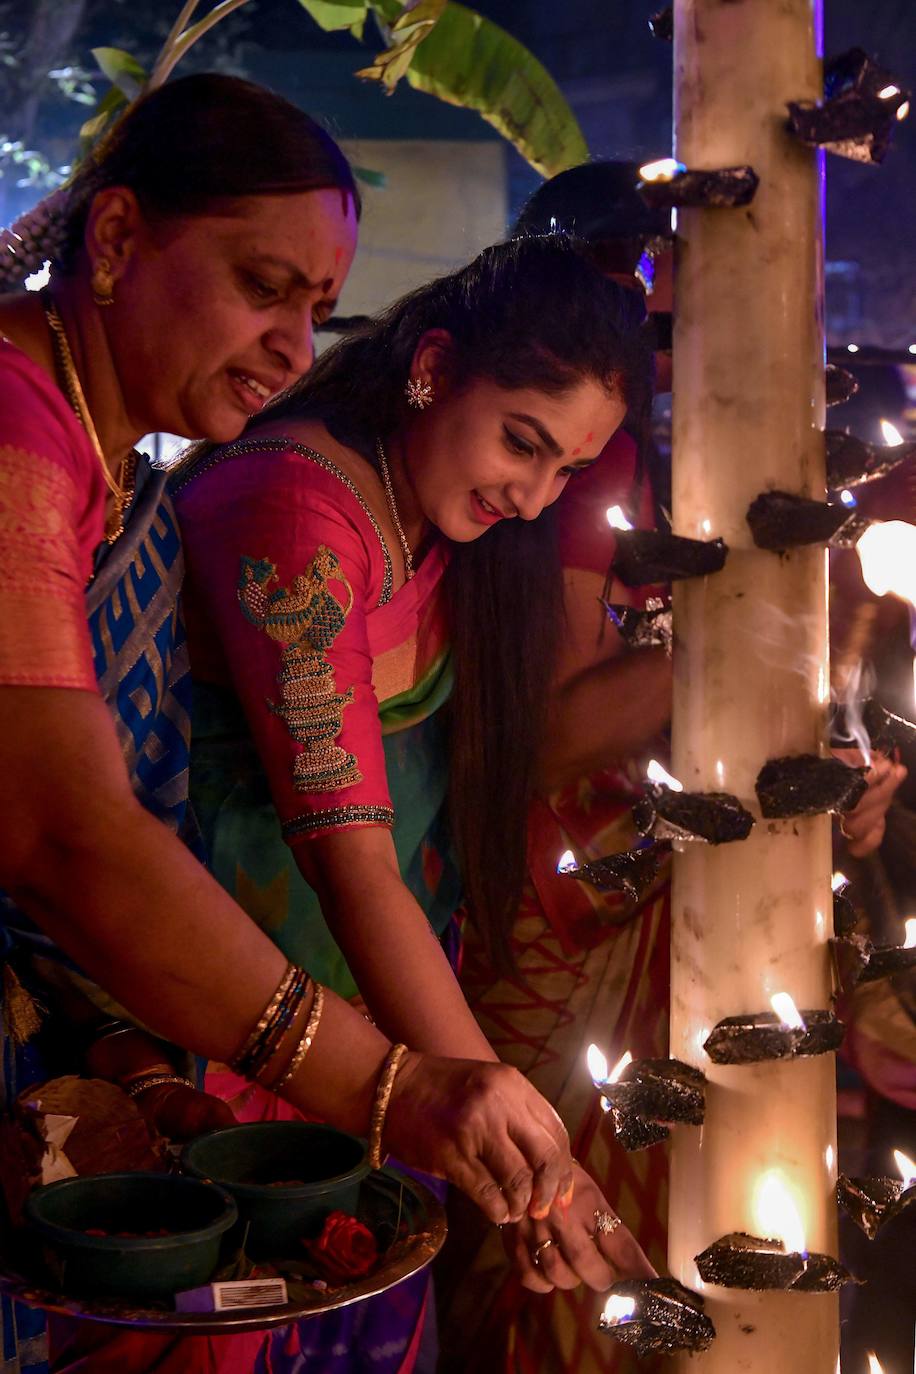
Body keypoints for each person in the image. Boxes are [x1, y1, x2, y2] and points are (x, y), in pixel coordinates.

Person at [0, 73, 582, 1374]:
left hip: (133, 1029)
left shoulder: (119, 489)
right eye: (261, 287)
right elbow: (65, 833)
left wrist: (137, 1064)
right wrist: (396, 1088)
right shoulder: (18, 427)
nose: (291, 346)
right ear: (114, 243)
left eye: (315, 310)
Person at [436, 160, 908, 1374]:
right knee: (555, 1267)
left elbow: (731, 718)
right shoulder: (585, 458)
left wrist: (829, 775)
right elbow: (548, 739)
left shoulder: (687, 464)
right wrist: (745, 621)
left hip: (666, 918)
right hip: (556, 916)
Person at [171, 232, 657, 1364]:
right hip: (215, 1045)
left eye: (568, 473)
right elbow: (353, 864)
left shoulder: (437, 517)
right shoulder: (294, 515)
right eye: (522, 444)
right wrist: (510, 1134)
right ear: (433, 368)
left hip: (369, 1049)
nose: (535, 500)